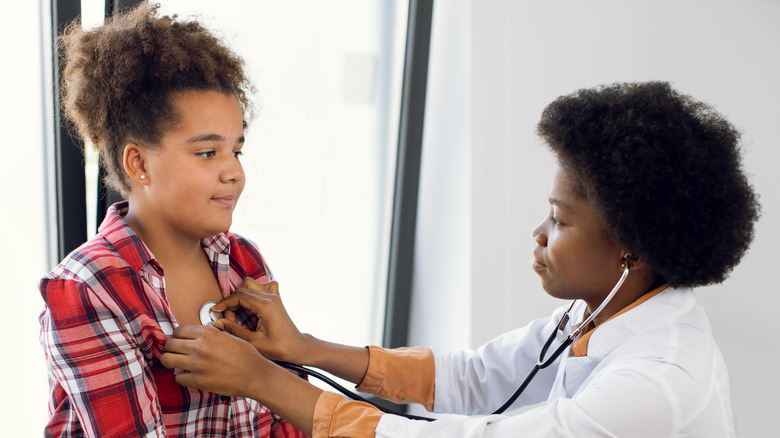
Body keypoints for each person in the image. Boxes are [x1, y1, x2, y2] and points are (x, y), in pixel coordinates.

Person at [161, 81, 760, 437]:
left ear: (631, 244)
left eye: (560, 218)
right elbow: (471, 377)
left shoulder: (660, 380)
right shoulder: (594, 316)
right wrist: (303, 350)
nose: (538, 232)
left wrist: (265, 382)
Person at [38, 2, 305, 437]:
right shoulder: (89, 289)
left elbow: (289, 413)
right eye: (206, 152)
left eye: (236, 150)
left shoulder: (243, 262)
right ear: (138, 164)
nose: (234, 171)